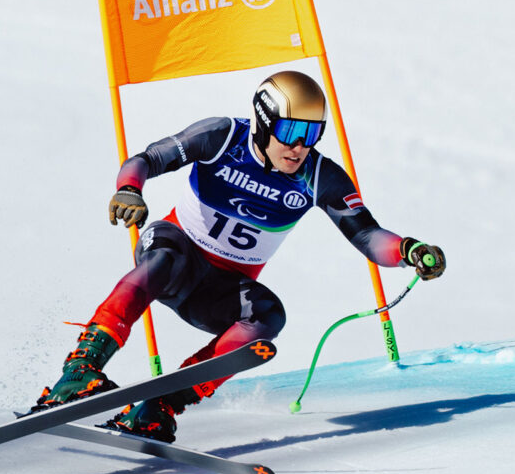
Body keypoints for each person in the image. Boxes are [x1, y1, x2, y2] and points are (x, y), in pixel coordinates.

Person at [31, 70, 446, 442]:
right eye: (290, 129)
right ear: (265, 122)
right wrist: (130, 189)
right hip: (176, 249)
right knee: (162, 260)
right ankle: (80, 369)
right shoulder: (223, 136)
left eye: (313, 133)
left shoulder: (320, 176)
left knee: (269, 316)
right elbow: (146, 159)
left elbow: (368, 235)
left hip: (218, 289)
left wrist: (409, 250)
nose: (300, 146)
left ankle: (159, 404)